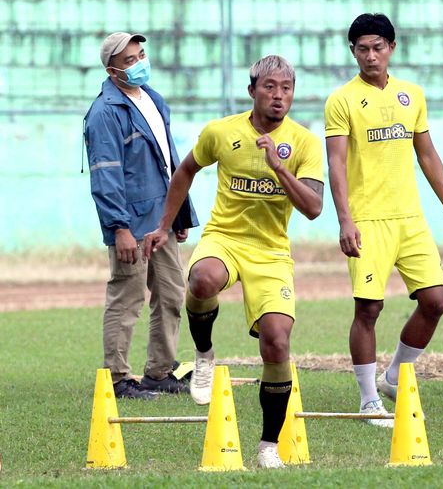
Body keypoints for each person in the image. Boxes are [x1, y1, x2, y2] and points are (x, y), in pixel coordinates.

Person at [143, 55, 324, 469]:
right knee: (202, 280)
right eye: (270, 87)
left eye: (287, 89)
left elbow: (314, 207)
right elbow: (186, 169)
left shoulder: (304, 143)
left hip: (271, 252)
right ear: (252, 91)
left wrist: (280, 169)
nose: (279, 96)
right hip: (224, 238)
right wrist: (164, 225)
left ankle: (268, 447)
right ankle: (204, 355)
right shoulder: (222, 132)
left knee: (277, 341)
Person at [325, 13, 443, 428]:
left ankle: (395, 375)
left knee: (435, 300)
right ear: (352, 52)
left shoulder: (412, 95)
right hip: (367, 220)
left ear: (392, 47)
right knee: (369, 308)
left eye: (378, 47)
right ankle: (369, 399)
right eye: (362, 49)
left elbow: (427, 155)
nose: (371, 56)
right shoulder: (342, 100)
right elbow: (335, 163)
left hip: (410, 218)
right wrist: (345, 219)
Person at [84, 32, 198, 400]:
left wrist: (178, 215)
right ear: (111, 70)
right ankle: (118, 378)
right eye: (130, 60)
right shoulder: (104, 113)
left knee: (170, 293)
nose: (139, 63)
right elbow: (106, 174)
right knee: (128, 296)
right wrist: (119, 227)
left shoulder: (152, 100)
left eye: (141, 55)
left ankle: (160, 371)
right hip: (131, 225)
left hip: (160, 221)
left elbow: (171, 165)